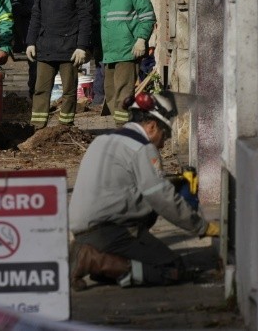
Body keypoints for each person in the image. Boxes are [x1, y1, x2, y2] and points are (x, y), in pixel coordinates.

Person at [68, 91, 220, 289]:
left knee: (148, 221)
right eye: (164, 134)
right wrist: (202, 227)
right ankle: (97, 262)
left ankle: (106, 264)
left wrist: (173, 184)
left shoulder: (104, 140)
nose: (163, 143)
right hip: (108, 231)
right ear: (151, 126)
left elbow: (126, 185)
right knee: (172, 269)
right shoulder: (141, 148)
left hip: (83, 231)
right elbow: (160, 197)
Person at [25, 0, 93, 129]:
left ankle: (65, 127)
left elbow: (85, 18)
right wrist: (31, 41)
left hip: (69, 48)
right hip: (46, 47)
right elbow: (36, 15)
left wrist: (82, 46)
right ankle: (37, 127)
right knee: (40, 89)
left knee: (69, 91)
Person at [94, 0, 156, 126]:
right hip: (107, 52)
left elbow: (147, 15)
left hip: (128, 49)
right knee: (110, 91)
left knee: (123, 91)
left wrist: (141, 39)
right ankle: (125, 123)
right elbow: (94, 21)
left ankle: (124, 128)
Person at [13, 0, 41, 97]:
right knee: (34, 64)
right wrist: (33, 11)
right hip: (29, 29)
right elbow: (16, 8)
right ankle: (33, 91)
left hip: (44, 30)